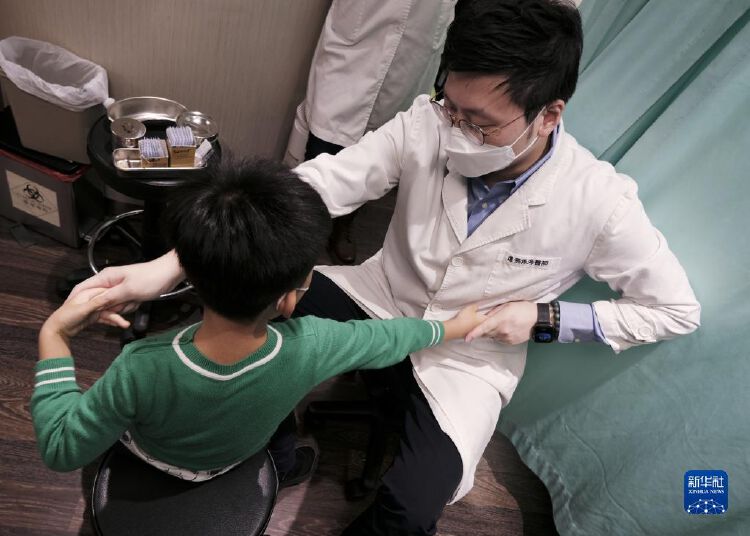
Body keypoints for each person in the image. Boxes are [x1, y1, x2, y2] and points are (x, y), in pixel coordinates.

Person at [70, 1, 701, 533]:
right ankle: (277, 453)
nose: (455, 129)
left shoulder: (600, 201)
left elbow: (675, 310)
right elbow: (316, 188)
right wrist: (172, 263)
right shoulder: (425, 124)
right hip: (380, 295)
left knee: (410, 507)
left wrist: (544, 316)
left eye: (480, 123)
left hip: (468, 354)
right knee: (239, 326)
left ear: (548, 114)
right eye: (451, 105)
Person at [31, 158, 486, 484]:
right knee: (282, 425)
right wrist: (452, 328)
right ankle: (284, 469)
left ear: (189, 273)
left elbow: (61, 448)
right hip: (239, 457)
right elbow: (388, 336)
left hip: (156, 460)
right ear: (289, 296)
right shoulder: (315, 343)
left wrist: (55, 334)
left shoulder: (140, 367)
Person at [285, 0, 458, 264]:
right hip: (361, 33)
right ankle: (296, 227)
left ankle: (344, 224)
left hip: (418, 45)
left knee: (387, 147)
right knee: (326, 134)